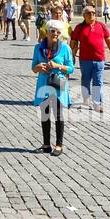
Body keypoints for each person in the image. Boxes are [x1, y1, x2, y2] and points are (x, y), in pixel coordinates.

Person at [32, 20, 74, 156]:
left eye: (58, 32)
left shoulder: (65, 49)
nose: (55, 34)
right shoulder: (38, 48)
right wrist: (38, 67)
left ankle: (59, 145)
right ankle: (46, 145)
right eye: (52, 31)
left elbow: (71, 68)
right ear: (47, 32)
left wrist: (58, 66)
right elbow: (33, 67)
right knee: (44, 114)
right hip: (43, 84)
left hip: (57, 84)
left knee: (58, 114)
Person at [69, 6, 110, 112]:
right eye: (89, 13)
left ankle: (97, 103)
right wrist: (72, 55)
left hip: (99, 59)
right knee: (85, 80)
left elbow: (108, 39)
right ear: (84, 15)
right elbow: (74, 42)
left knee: (98, 81)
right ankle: (86, 98)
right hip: (85, 59)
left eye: (93, 12)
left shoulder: (101, 26)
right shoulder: (79, 27)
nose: (92, 14)